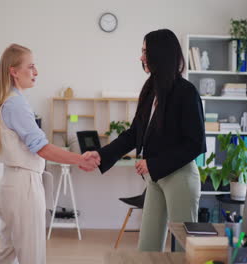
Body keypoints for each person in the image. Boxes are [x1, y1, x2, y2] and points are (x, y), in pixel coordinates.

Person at [82, 29, 206, 251]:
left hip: (180, 178)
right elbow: (134, 133)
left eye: (145, 52)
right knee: (147, 248)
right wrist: (101, 155)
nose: (141, 57)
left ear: (160, 54)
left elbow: (195, 143)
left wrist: (153, 163)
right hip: (155, 178)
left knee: (183, 249)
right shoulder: (151, 90)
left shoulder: (186, 92)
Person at [0, 44, 99, 264]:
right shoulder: (16, 104)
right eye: (30, 67)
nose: (36, 72)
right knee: (32, 256)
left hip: (14, 182)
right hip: (23, 186)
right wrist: (80, 159)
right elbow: (42, 148)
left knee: (7, 255)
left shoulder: (10, 100)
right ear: (13, 71)